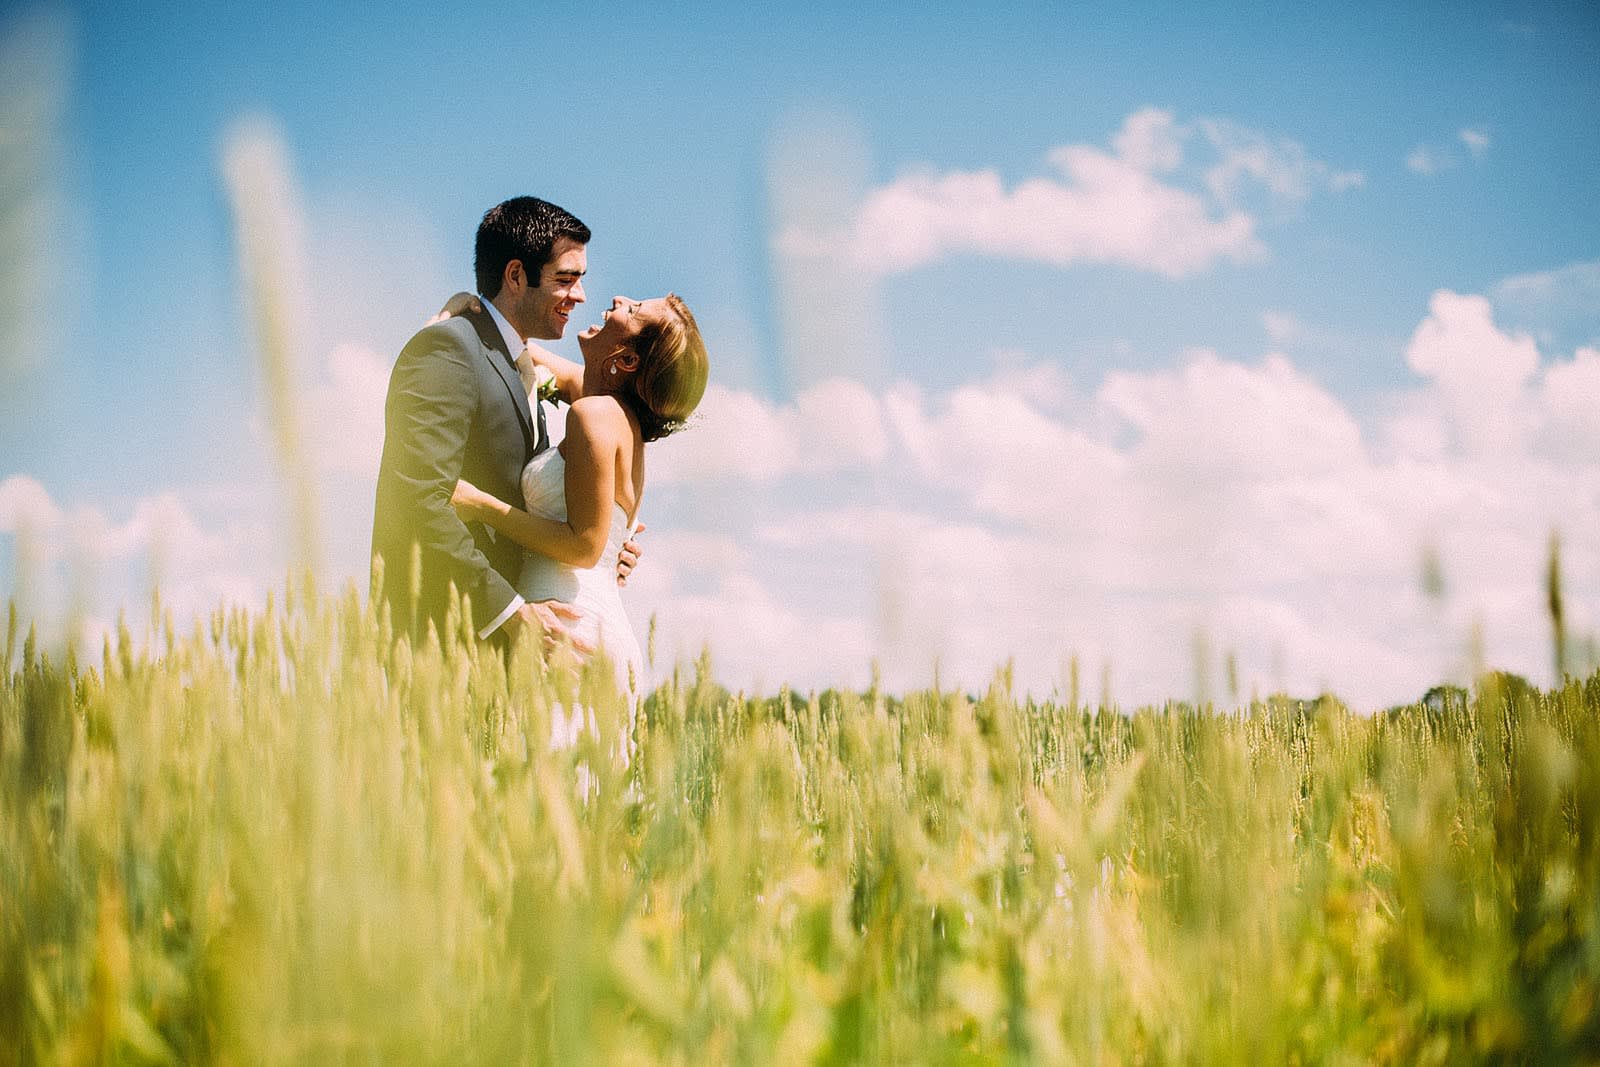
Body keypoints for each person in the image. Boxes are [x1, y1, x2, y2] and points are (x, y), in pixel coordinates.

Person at [370, 196, 641, 648]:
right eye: (566, 279)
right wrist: (511, 615)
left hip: (506, 652)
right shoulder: (448, 348)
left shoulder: (517, 363)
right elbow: (418, 497)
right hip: (441, 642)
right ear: (516, 275)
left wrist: (609, 543)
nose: (581, 295)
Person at [443, 290, 708, 703]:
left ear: (627, 360)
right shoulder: (616, 415)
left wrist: (480, 504)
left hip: (568, 630)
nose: (620, 298)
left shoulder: (595, 416)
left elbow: (585, 546)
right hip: (591, 623)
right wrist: (465, 304)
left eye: (634, 310)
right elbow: (516, 354)